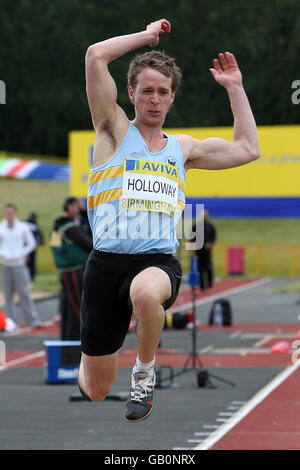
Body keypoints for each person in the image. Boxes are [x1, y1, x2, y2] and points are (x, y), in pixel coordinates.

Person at [79, 19, 260, 422]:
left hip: (157, 262)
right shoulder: (111, 130)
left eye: (163, 92)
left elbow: (248, 149)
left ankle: (144, 374)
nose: (155, 100)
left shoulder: (183, 149)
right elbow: (95, 55)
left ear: (172, 97)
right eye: (147, 91)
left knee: (146, 294)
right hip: (105, 264)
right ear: (131, 93)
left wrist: (235, 89)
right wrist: (146, 38)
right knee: (95, 390)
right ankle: (89, 363)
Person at [49, 197, 93, 340]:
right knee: (77, 308)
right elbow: (89, 244)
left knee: (67, 309)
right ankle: (78, 341)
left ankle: (67, 340)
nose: (78, 209)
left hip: (64, 272)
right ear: (68, 208)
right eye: (75, 206)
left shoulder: (57, 227)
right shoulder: (71, 228)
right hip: (75, 271)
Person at [0, 203, 41, 328]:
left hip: (19, 264)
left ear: (15, 213)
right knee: (7, 294)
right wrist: (4, 254)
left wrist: (20, 254)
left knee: (24, 293)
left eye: (11, 213)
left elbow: (32, 244)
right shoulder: (1, 227)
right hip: (6, 264)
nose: (9, 215)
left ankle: (32, 319)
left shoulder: (22, 227)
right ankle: (11, 321)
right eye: (7, 213)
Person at [193, 210, 217, 290]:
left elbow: (213, 237)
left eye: (205, 216)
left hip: (207, 251)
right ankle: (201, 286)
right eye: (203, 216)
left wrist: (210, 243)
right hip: (198, 250)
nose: (204, 217)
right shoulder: (196, 226)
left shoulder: (210, 226)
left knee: (208, 267)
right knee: (199, 268)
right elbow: (192, 237)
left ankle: (210, 285)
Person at [25, 212, 44, 281]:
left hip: (24, 248)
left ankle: (23, 278)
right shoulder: (35, 226)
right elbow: (40, 236)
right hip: (32, 248)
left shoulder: (24, 224)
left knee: (24, 263)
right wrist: (41, 242)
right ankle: (31, 278)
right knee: (32, 264)